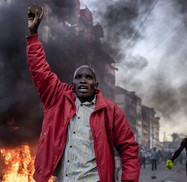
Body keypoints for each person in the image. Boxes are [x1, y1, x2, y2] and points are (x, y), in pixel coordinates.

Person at [26, 5, 140, 182]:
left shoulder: (111, 111)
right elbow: (40, 70)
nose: (83, 80)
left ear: (96, 84)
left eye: (88, 77)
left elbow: (129, 149)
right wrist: (33, 35)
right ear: (73, 83)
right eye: (79, 77)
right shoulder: (57, 99)